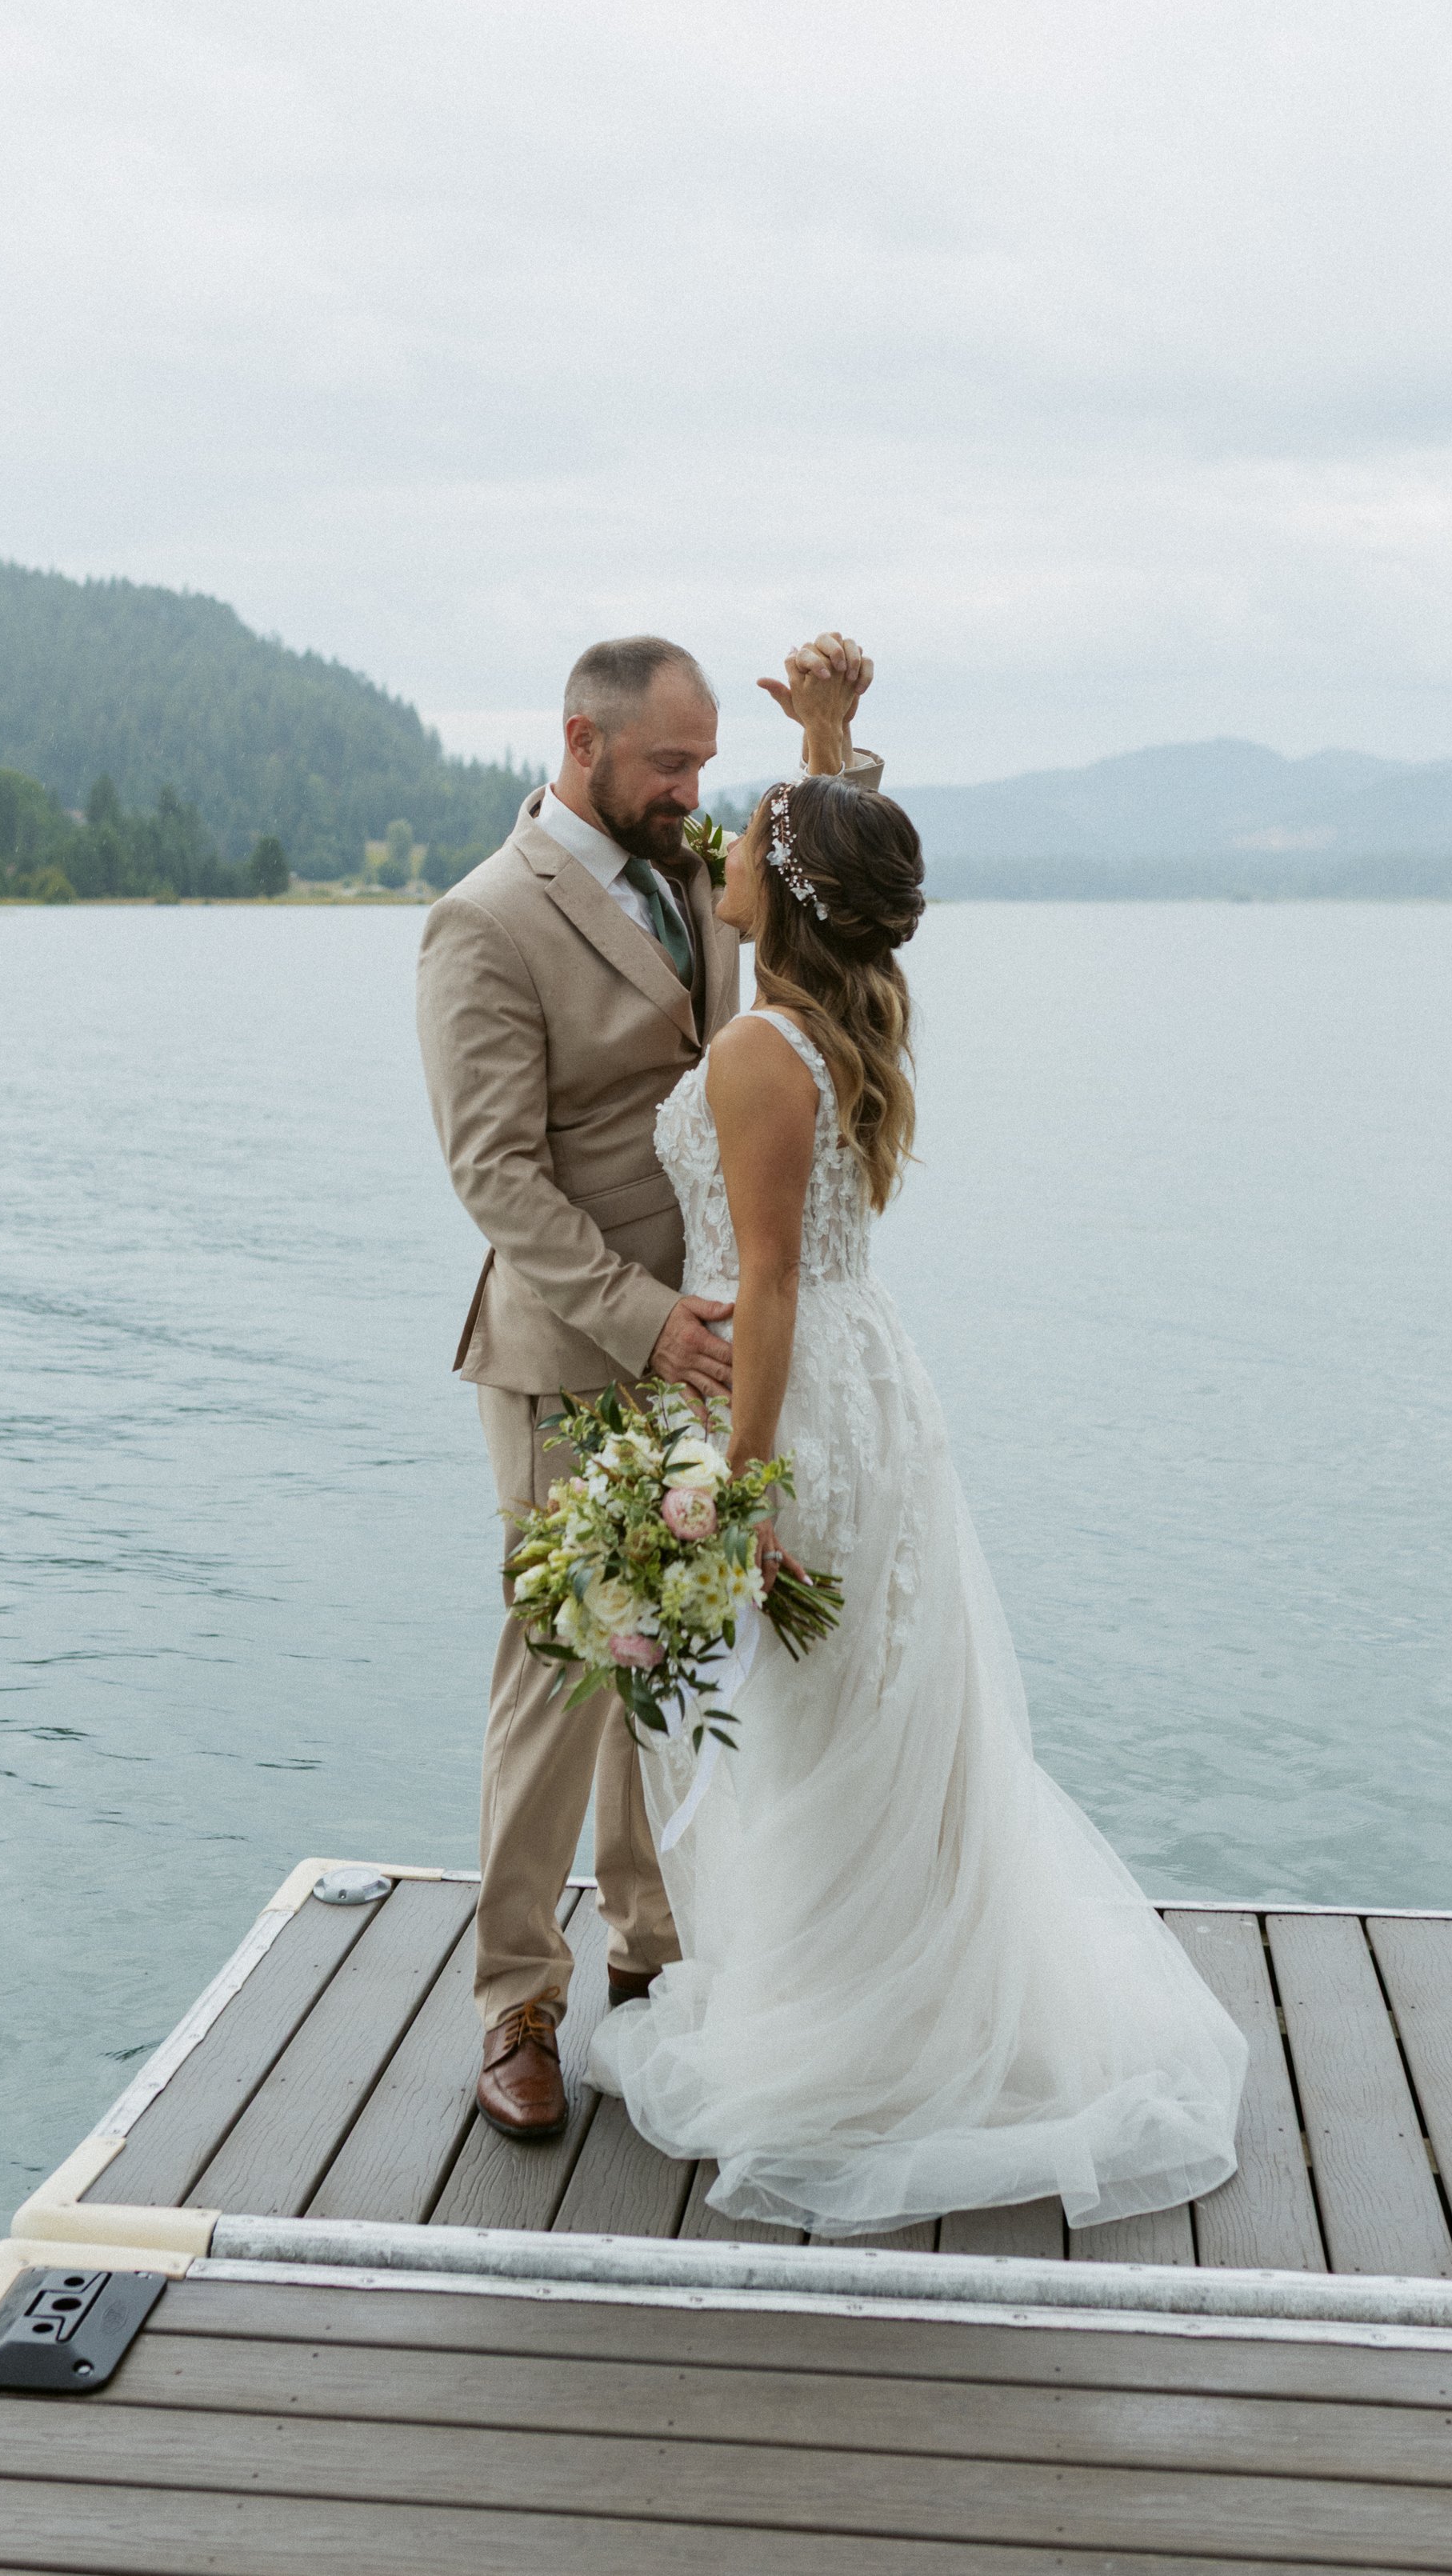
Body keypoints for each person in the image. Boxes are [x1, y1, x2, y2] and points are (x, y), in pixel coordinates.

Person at [588, 716, 1250, 2234]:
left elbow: (765, 1281)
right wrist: (825, 746)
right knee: (855, 1717)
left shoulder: (764, 1050)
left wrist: (731, 1495)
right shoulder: (836, 1027)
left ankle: (847, 2037)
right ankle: (869, 1993)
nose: (722, 850)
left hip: (797, 1400)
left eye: (747, 838)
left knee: (814, 1725)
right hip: (868, 1386)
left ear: (788, 889)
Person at [415, 631, 882, 2138]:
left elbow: (804, 913)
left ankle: (651, 1952)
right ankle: (514, 2002)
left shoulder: (682, 869)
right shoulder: (482, 921)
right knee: (558, 1673)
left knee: (668, 1663)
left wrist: (825, 752)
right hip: (574, 1347)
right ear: (582, 742)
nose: (694, 793)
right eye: (670, 765)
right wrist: (640, 1319)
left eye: (701, 764)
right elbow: (496, 1173)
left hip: (704, 1332)